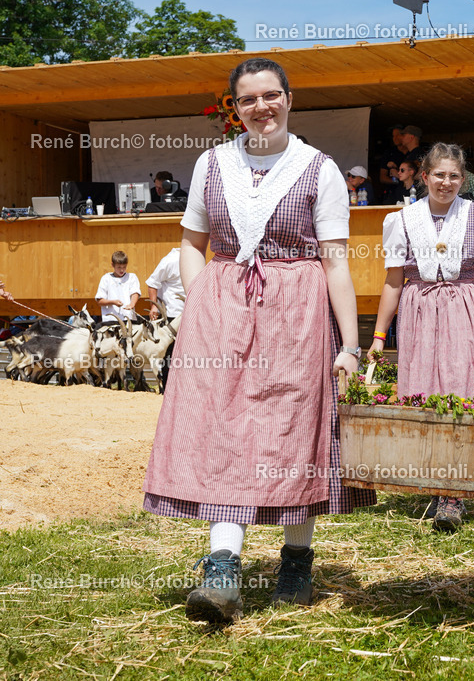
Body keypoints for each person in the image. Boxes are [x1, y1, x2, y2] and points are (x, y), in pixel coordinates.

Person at [142, 57, 376, 624]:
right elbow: (192, 243)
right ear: (236, 108)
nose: (260, 108)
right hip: (223, 312)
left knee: (292, 435)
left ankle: (296, 560)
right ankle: (222, 569)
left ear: (289, 99)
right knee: (226, 430)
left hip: (296, 314)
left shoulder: (319, 170)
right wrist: (197, 308)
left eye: (270, 96)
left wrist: (351, 345)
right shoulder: (212, 163)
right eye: (247, 100)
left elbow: (336, 263)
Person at [370, 142, 474, 533]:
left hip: (463, 304)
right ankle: (434, 479)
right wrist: (379, 336)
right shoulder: (403, 219)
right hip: (419, 308)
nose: (447, 182)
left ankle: (453, 493)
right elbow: (394, 281)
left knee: (462, 388)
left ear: (464, 179)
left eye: (454, 176)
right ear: (424, 176)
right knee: (423, 388)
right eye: (439, 175)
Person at [146, 247, 185, 389]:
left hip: (189, 312)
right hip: (172, 313)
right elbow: (152, 283)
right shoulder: (170, 260)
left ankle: (182, 387)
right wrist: (154, 306)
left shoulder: (196, 258)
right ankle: (167, 386)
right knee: (170, 352)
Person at [95, 250, 140, 321]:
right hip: (110, 320)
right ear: (112, 265)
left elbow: (135, 292)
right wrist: (113, 302)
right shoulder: (106, 278)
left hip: (128, 318)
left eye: (124, 267)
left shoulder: (132, 277)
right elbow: (99, 301)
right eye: (119, 267)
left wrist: (132, 304)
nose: (122, 270)